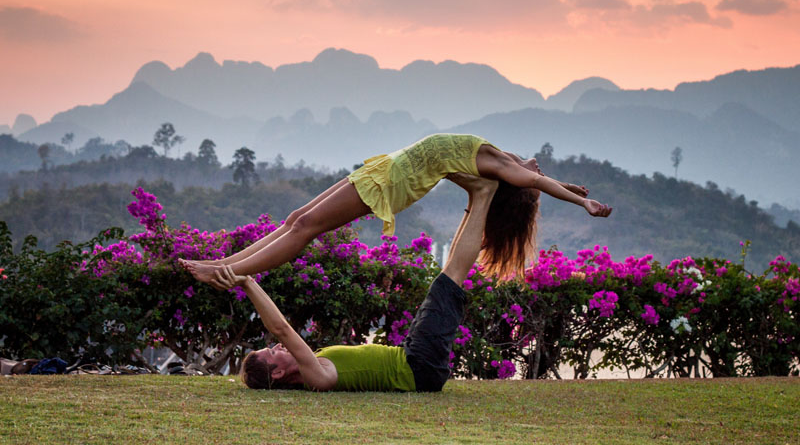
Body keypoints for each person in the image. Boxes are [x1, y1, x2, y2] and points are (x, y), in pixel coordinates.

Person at [182, 133, 612, 285]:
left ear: (517, 181)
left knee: (307, 226)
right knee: (298, 218)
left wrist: (581, 202)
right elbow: (538, 179)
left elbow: (534, 181)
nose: (539, 167)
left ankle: (227, 274)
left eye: (538, 175)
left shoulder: (506, 169)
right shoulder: (504, 159)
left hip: (393, 183)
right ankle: (223, 264)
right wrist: (570, 186)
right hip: (386, 168)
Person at [221, 174, 501, 391]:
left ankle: (477, 197)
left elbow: (281, 332)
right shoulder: (318, 377)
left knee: (447, 277)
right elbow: (281, 328)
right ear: (279, 373)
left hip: (411, 356)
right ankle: (483, 194)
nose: (279, 346)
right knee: (450, 279)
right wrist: (247, 280)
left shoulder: (316, 365)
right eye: (272, 352)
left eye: (273, 346)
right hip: (419, 367)